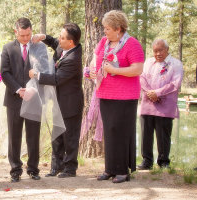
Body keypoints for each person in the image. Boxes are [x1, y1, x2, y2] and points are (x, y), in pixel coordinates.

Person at [90, 10, 144, 183]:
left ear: (118, 28)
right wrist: (92, 68)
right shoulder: (104, 42)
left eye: (107, 28)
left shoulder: (132, 44)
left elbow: (137, 69)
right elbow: (95, 56)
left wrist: (114, 71)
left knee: (121, 131)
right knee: (110, 130)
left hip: (125, 96)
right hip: (105, 93)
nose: (104, 31)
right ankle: (110, 168)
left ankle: (122, 170)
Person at [30, 23, 84, 178]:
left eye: (62, 37)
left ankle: (70, 168)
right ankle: (56, 166)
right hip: (58, 101)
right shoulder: (64, 48)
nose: (59, 39)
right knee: (57, 135)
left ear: (71, 42)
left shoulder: (73, 58)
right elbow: (54, 42)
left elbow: (56, 79)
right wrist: (44, 37)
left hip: (70, 103)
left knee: (70, 136)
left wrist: (36, 75)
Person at [1, 17, 41, 182]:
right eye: (22, 35)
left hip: (34, 98)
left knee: (33, 135)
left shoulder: (39, 47)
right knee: (14, 135)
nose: (25, 38)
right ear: (15, 31)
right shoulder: (8, 48)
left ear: (32, 30)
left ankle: (33, 169)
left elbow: (44, 69)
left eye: (28, 35)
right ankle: (15, 170)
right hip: (14, 99)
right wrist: (19, 90)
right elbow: (5, 72)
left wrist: (31, 89)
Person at [137, 39, 184, 170]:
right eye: (155, 51)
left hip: (165, 106)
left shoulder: (176, 64)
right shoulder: (148, 62)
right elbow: (141, 77)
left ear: (167, 49)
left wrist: (158, 93)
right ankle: (147, 161)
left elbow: (176, 83)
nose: (158, 53)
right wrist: (150, 93)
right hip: (147, 103)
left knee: (163, 134)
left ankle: (163, 161)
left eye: (160, 50)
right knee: (146, 133)